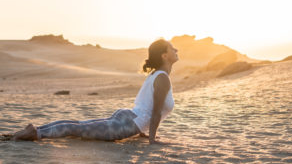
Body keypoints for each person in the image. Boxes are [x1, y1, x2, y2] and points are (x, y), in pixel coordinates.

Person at [11, 39, 178, 144]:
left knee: (80, 125)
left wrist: (142, 131)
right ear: (164, 56)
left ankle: (37, 129)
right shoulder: (162, 77)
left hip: (129, 117)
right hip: (128, 123)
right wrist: (152, 139)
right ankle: (37, 132)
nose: (176, 50)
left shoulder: (155, 74)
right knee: (79, 129)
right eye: (172, 49)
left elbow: (146, 106)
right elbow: (155, 112)